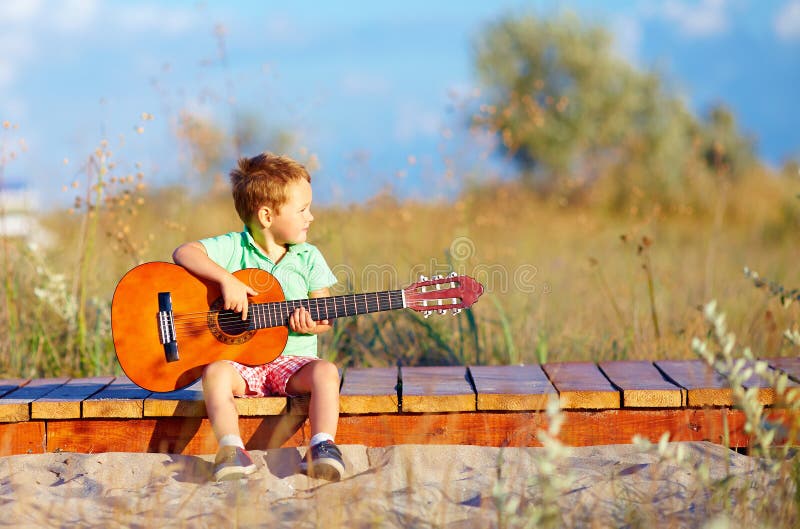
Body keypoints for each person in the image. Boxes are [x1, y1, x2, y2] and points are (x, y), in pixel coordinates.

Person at [172, 153, 344, 482]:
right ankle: (231, 448)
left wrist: (313, 324)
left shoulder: (308, 257)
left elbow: (325, 317)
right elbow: (184, 252)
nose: (312, 216)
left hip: (291, 363)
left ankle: (323, 445)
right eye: (302, 209)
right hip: (240, 363)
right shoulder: (233, 247)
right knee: (214, 373)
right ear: (266, 215)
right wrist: (226, 280)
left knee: (326, 372)